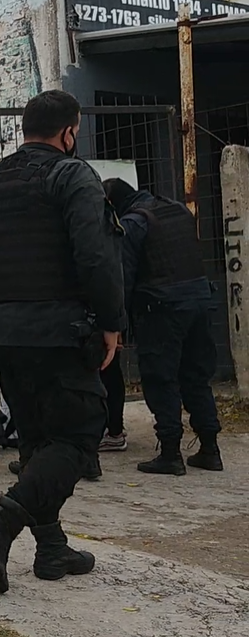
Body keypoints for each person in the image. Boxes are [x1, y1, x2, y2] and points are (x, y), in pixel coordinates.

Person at [0, 90, 125, 593]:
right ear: (69, 132)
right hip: (56, 329)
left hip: (1, 332)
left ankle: (51, 549)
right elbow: (95, 257)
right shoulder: (72, 175)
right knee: (77, 439)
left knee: (36, 437)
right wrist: (112, 323)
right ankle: (2, 523)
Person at [103, 178, 223, 475]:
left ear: (111, 204)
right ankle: (210, 448)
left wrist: (116, 323)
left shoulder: (132, 224)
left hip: (162, 309)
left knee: (161, 379)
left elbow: (124, 280)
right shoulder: (178, 210)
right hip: (199, 302)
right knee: (196, 377)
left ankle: (170, 453)